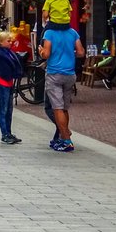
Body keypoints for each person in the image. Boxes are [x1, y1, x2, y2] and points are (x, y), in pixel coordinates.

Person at [39, 21, 85, 151]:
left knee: (57, 108)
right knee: (64, 108)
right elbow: (81, 52)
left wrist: (41, 51)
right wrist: (70, 54)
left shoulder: (49, 33)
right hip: (70, 74)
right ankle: (62, 136)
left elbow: (46, 54)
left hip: (54, 74)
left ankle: (66, 140)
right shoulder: (73, 32)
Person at [0, 31, 24, 144]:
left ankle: (8, 132)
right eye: (8, 40)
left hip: (9, 82)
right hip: (3, 83)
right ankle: (4, 134)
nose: (11, 42)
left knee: (9, 110)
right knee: (4, 109)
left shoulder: (9, 52)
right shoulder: (1, 54)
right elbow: (5, 69)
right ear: (1, 42)